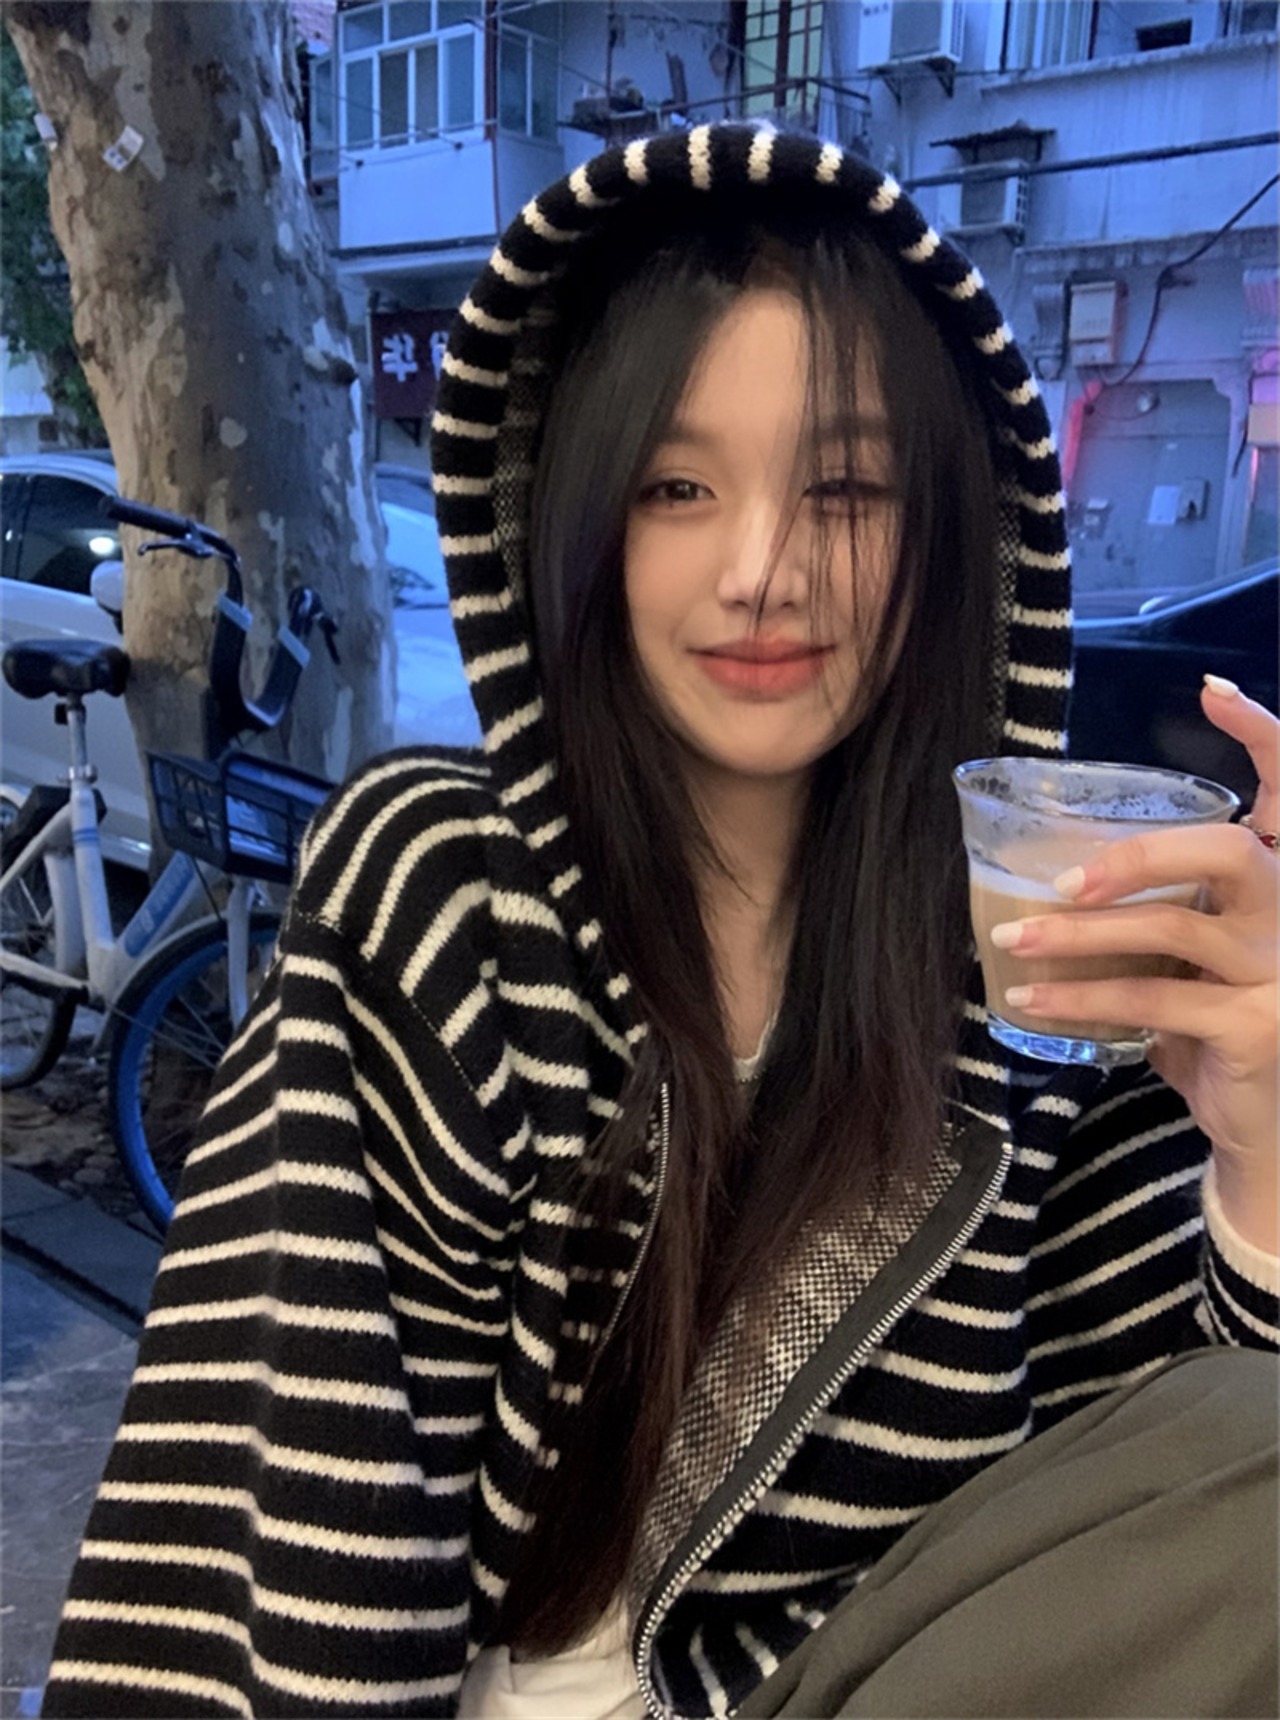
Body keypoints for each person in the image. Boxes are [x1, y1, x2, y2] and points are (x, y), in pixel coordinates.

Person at [43, 124, 1277, 1720]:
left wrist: (1259, 1150)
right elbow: (293, 1518)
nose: (762, 571)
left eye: (846, 487)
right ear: (577, 522)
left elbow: (1161, 1505)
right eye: (677, 486)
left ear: (951, 534)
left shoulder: (1040, 951)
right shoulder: (449, 891)